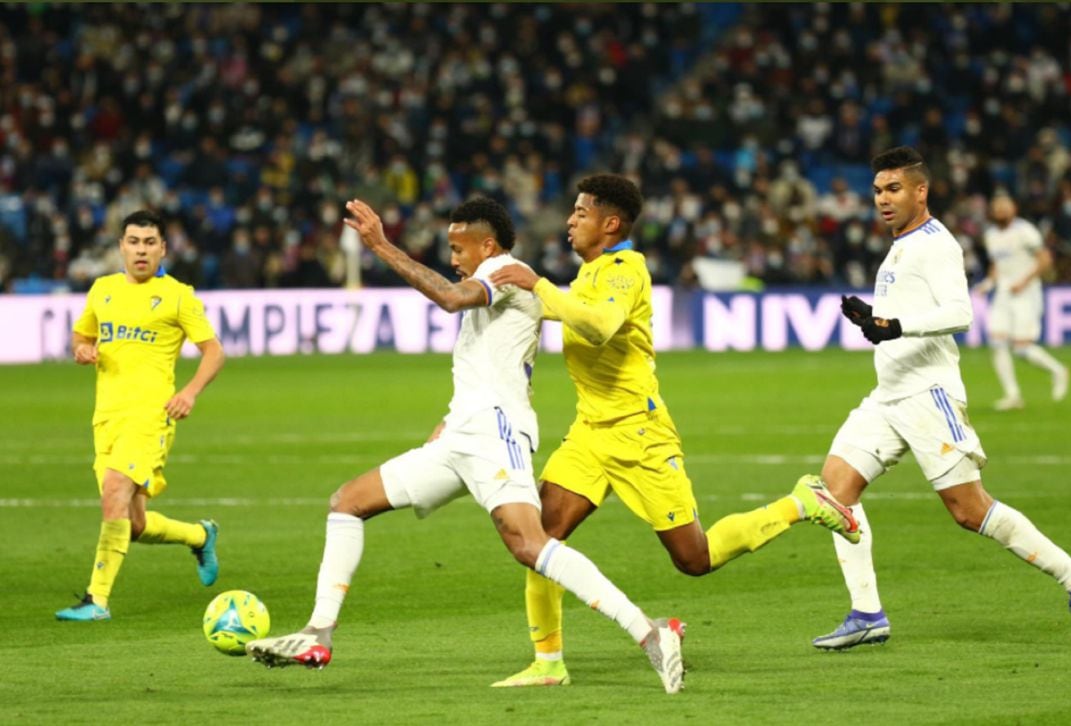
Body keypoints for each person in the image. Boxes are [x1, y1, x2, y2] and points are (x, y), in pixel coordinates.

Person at [245, 197, 687, 694]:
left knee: (531, 545)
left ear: (488, 245)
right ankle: (318, 633)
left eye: (459, 249)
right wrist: (451, 419)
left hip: (496, 433)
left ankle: (649, 633)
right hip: (461, 433)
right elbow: (486, 354)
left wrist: (381, 246)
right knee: (347, 503)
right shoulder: (497, 273)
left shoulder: (505, 271)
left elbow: (451, 298)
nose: (453, 258)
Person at [485, 173, 860, 688]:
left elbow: (599, 326)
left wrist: (537, 285)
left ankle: (801, 503)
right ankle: (548, 663)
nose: (569, 220)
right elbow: (555, 309)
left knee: (694, 558)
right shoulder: (590, 272)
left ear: (610, 224)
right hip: (590, 432)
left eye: (581, 212)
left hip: (640, 434)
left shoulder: (626, 270)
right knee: (541, 540)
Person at [813, 147, 1071, 650]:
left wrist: (894, 326)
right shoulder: (901, 245)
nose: (883, 199)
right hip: (888, 395)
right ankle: (867, 613)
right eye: (878, 191)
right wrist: (876, 318)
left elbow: (961, 313)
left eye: (894, 189)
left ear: (921, 191)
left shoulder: (936, 244)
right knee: (836, 490)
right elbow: (903, 316)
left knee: (969, 510)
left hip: (926, 394)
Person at [56, 209, 225, 622]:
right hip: (106, 418)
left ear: (163, 248)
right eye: (134, 242)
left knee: (114, 491)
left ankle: (96, 600)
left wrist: (189, 392)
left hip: (150, 416)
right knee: (132, 523)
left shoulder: (178, 295)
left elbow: (214, 352)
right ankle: (200, 535)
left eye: (150, 243)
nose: (141, 250)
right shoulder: (103, 290)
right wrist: (81, 349)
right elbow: (81, 334)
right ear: (121, 247)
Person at [973, 194, 1069, 410]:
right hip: (1003, 294)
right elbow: (997, 265)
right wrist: (988, 283)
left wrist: (1024, 281)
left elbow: (1045, 259)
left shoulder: (1025, 231)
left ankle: (1058, 370)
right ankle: (1013, 395)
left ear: (1014, 209)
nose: (1000, 211)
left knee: (1021, 348)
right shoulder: (991, 235)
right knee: (997, 342)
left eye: (1004, 207)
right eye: (997, 208)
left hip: (1026, 293)